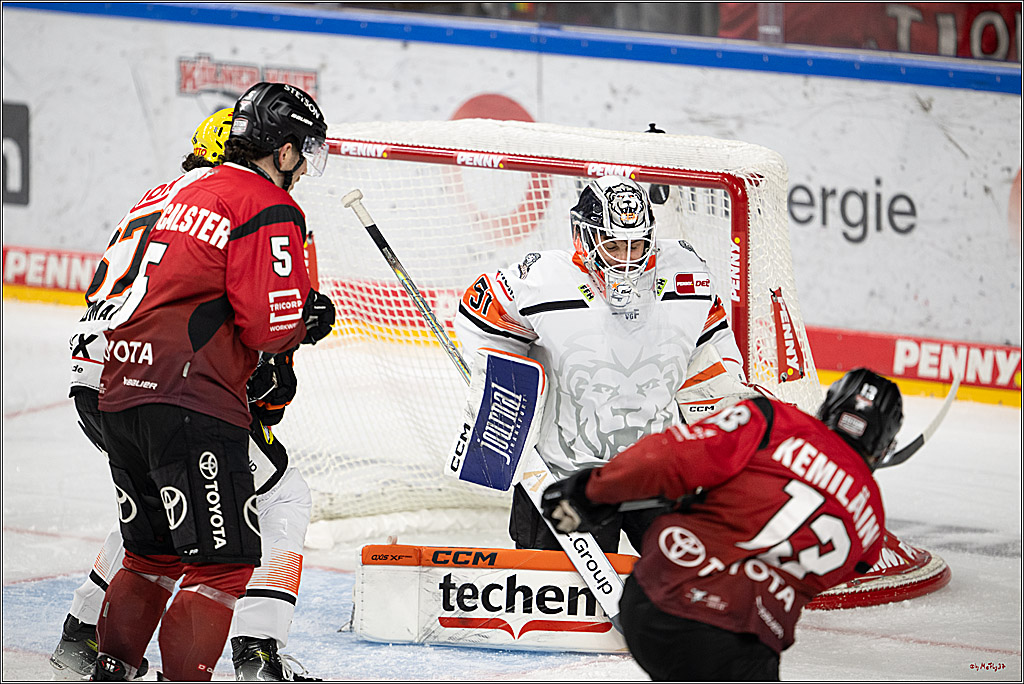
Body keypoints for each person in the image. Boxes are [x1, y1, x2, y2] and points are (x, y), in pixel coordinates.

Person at [53, 105, 324, 682]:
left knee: (157, 540)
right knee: (259, 518)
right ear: (275, 151)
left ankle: (90, 640)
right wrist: (296, 332)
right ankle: (254, 653)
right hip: (183, 390)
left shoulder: (162, 195)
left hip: (110, 378)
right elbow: (265, 328)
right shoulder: (252, 205)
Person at [540, 368, 903, 680]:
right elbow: (836, 570)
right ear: (884, 445)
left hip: (660, 603)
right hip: (744, 643)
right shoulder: (872, 520)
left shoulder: (776, 420)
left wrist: (591, 490)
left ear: (829, 405)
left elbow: (671, 457)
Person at [453, 175, 748, 554]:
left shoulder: (685, 271)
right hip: (567, 474)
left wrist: (726, 402)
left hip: (657, 469)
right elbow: (481, 321)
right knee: (557, 603)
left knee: (690, 582)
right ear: (586, 236)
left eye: (637, 244)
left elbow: (712, 345)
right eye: (614, 246)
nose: (627, 259)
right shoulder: (540, 280)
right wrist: (501, 392)